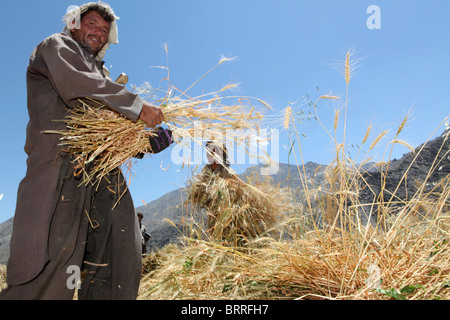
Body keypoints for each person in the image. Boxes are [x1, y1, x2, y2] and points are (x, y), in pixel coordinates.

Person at [0, 2, 170, 300]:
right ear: (74, 24)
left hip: (102, 175)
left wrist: (144, 143)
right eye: (92, 24)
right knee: (50, 266)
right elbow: (78, 84)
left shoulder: (102, 74)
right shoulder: (57, 47)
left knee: (117, 254)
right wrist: (139, 107)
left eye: (105, 30)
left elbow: (107, 132)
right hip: (61, 171)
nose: (99, 32)